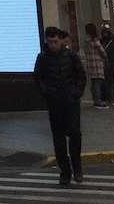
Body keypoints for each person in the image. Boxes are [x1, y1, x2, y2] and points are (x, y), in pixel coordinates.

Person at [34, 24, 85, 186]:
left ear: (60, 40)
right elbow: (38, 78)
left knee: (75, 134)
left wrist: (77, 92)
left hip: (71, 102)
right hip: (54, 103)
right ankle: (65, 172)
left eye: (56, 41)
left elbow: (81, 75)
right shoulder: (43, 58)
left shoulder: (70, 56)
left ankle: (77, 167)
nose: (53, 45)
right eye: (50, 42)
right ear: (46, 41)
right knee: (59, 139)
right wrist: (46, 92)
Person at [83, 22, 109, 107]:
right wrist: (105, 57)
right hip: (97, 63)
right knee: (98, 82)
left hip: (90, 63)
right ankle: (98, 100)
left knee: (93, 82)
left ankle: (95, 99)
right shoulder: (95, 39)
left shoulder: (86, 40)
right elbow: (101, 50)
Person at [101, 24, 114, 105]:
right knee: (108, 81)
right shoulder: (105, 41)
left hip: (113, 63)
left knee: (113, 80)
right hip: (108, 63)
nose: (105, 33)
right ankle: (110, 97)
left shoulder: (113, 41)